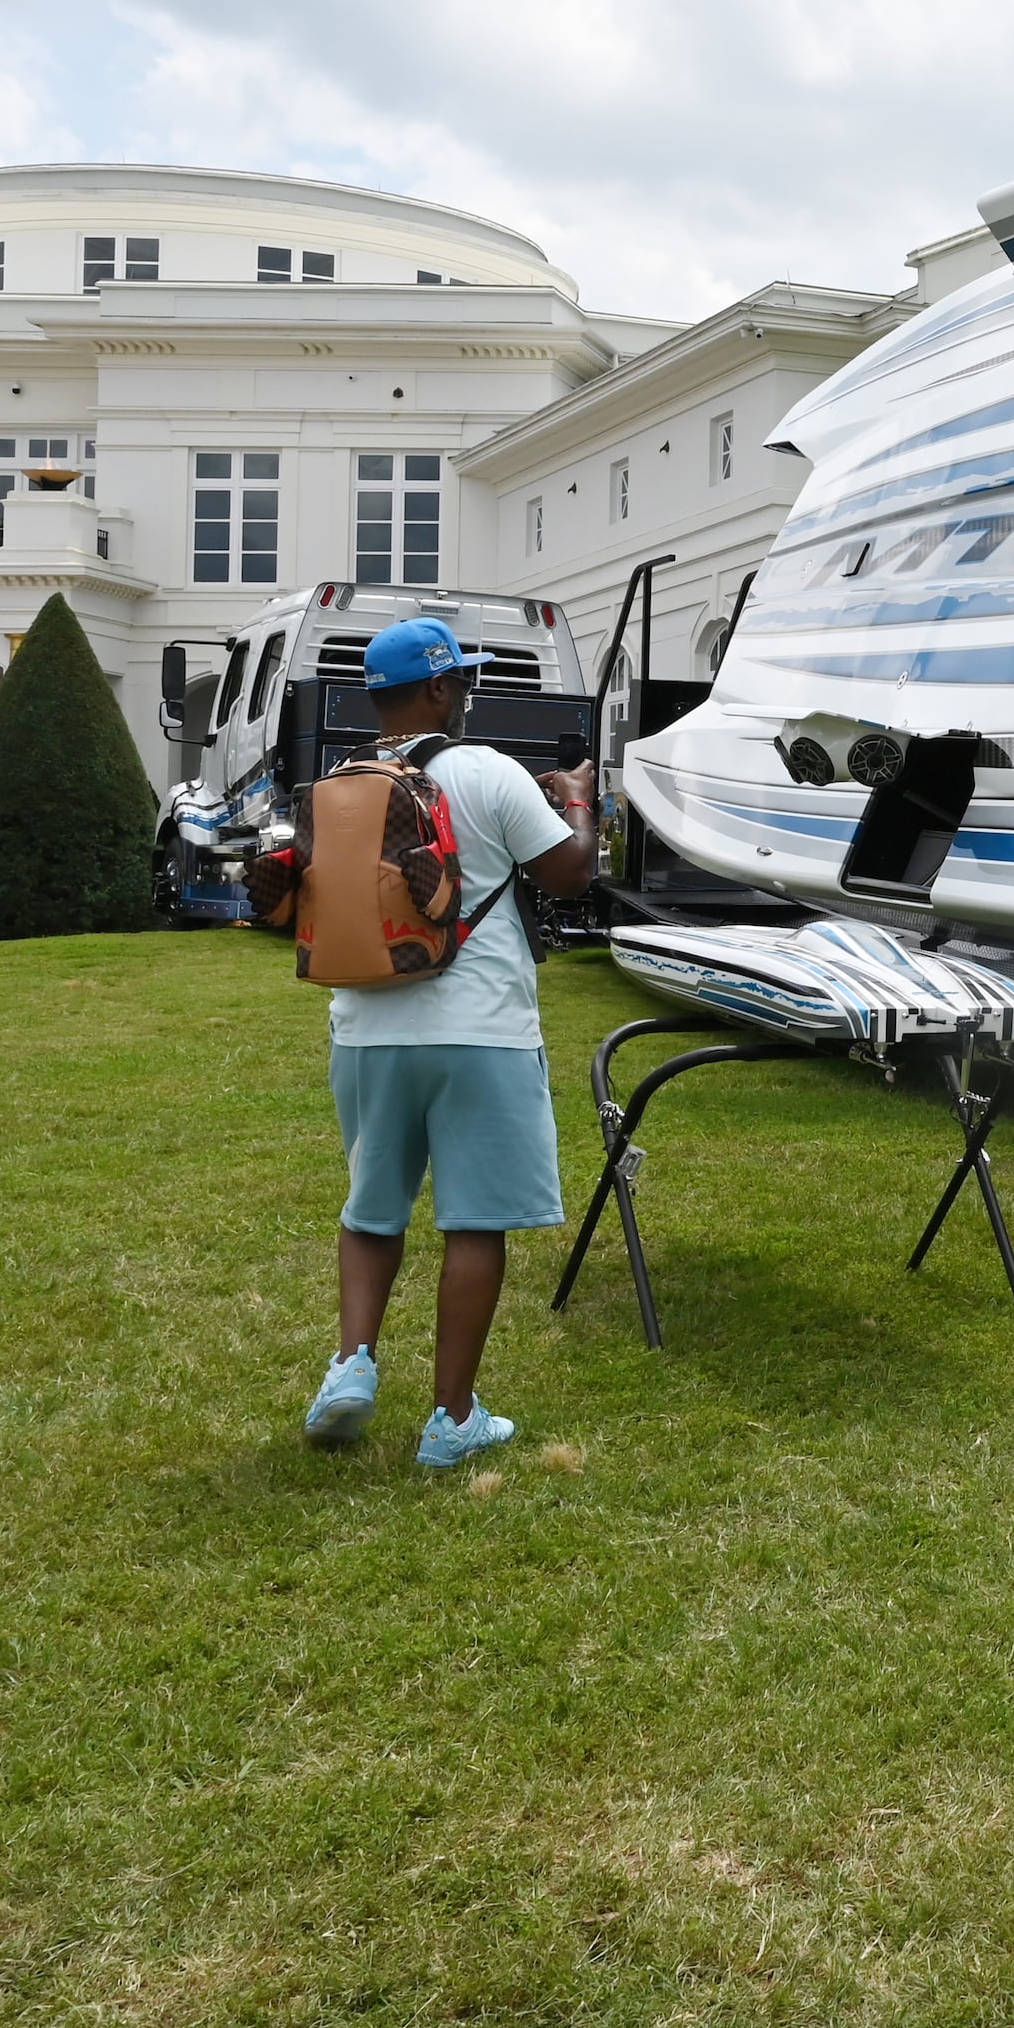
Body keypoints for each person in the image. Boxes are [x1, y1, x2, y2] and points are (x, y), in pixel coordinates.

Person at [296, 617, 600, 1466]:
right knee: (475, 1221)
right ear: (435, 689)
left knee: (370, 1208)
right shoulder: (487, 772)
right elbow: (569, 872)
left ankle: (353, 1364)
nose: (465, 691)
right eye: (458, 679)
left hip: (363, 1027)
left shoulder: (342, 778)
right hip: (480, 1030)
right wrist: (576, 798)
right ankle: (451, 1417)